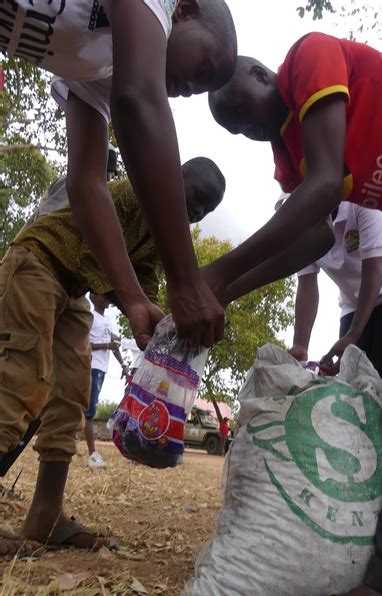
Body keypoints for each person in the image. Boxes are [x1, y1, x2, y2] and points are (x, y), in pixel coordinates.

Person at [207, 40, 382, 596]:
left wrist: (211, 276)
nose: (245, 126)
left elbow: (325, 187)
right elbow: (309, 241)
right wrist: (222, 291)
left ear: (261, 71)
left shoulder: (310, 57)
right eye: (234, 129)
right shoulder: (288, 159)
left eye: (241, 107)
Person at [0, 157, 226, 558]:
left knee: (71, 396)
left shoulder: (158, 233)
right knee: (19, 384)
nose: (195, 213)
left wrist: (157, 328)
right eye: (195, 198)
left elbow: (143, 283)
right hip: (35, 265)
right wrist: (135, 301)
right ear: (173, 177)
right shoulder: (128, 192)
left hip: (70, 291)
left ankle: (45, 515)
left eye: (205, 211)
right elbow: (97, 246)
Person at [1, 0, 237, 350]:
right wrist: (186, 281)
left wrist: (136, 301)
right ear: (184, 9)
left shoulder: (101, 68)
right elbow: (138, 99)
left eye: (196, 90)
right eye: (202, 69)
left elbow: (86, 183)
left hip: (73, 284)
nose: (188, 87)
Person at [289, 201, 382, 378]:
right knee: (353, 383)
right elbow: (307, 284)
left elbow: (374, 271)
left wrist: (353, 336)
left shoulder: (363, 201)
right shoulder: (302, 225)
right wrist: (300, 346)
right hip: (353, 304)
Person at [84, 294, 128, 470]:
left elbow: (113, 345)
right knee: (89, 410)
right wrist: (107, 346)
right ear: (93, 298)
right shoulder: (91, 317)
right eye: (102, 295)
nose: (108, 298)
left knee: (87, 407)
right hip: (92, 366)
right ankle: (92, 454)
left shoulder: (107, 320)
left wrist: (123, 365)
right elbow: (85, 344)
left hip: (102, 369)